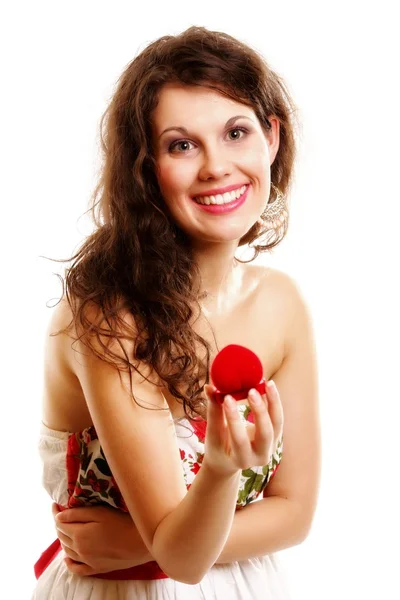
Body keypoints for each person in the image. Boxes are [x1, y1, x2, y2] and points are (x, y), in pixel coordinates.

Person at [32, 25, 320, 599]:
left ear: (272, 138)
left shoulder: (280, 301)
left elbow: (294, 515)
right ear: (145, 168)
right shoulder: (107, 315)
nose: (216, 167)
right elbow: (183, 561)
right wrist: (217, 471)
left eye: (236, 132)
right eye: (181, 145)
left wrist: (141, 542)